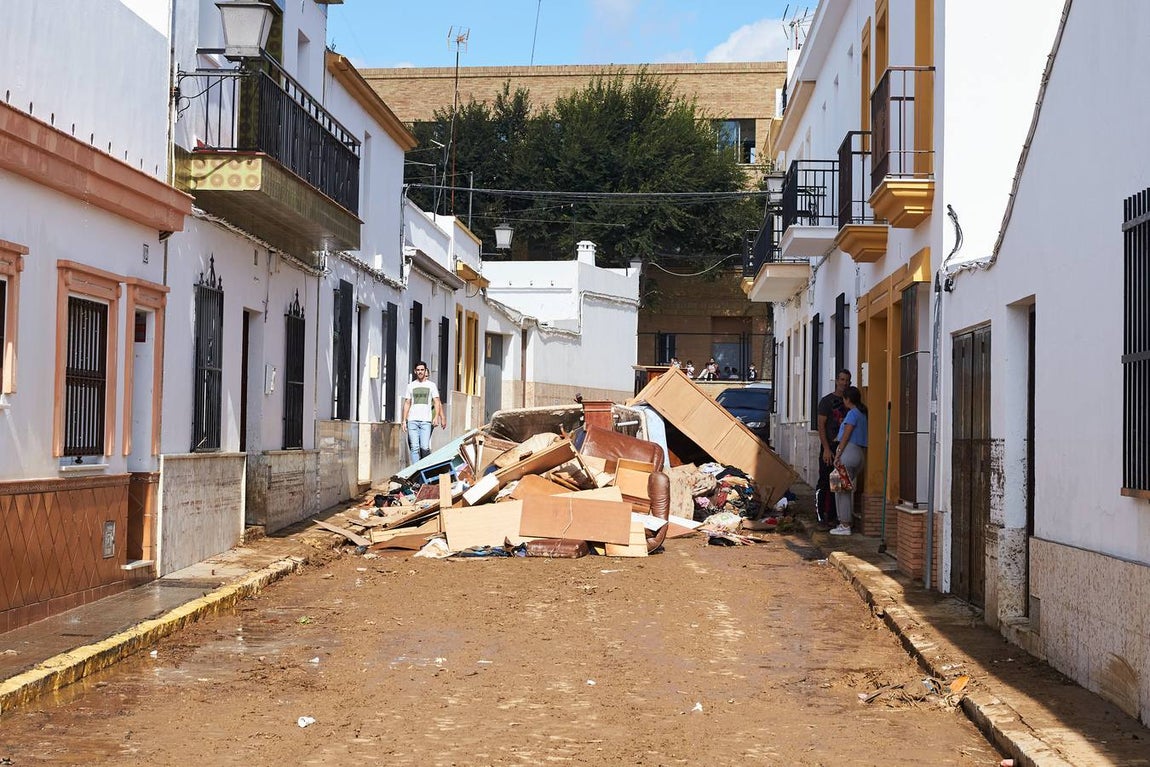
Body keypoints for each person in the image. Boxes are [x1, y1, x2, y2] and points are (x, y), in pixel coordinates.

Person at [815, 369, 851, 529]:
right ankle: (821, 516)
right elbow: (821, 425)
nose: (844, 383)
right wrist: (826, 448)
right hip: (829, 447)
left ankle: (834, 517)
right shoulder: (826, 401)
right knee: (824, 482)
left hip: (843, 449)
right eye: (842, 379)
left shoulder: (850, 402)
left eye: (847, 380)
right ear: (836, 381)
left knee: (838, 483)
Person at [830, 386, 868, 535]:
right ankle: (845, 521)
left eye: (844, 399)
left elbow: (846, 434)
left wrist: (838, 453)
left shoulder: (852, 413)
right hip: (859, 453)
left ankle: (844, 524)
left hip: (848, 452)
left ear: (848, 399)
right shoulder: (862, 413)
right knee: (841, 486)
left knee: (841, 490)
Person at [401, 361, 445, 464]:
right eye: (418, 370)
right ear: (415, 371)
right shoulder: (410, 386)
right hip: (412, 420)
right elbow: (407, 403)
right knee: (414, 447)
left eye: (422, 370)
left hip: (426, 421)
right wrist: (404, 420)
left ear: (425, 371)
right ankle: (416, 470)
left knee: (424, 447)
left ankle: (425, 466)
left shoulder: (431, 385)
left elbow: (437, 402)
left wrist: (437, 417)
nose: (420, 372)